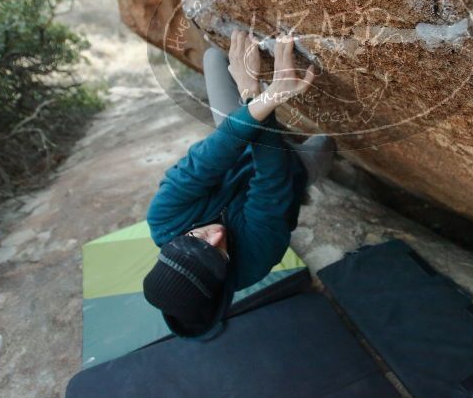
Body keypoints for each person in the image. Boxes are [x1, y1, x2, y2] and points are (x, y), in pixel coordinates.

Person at [142, 30, 335, 338]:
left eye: (196, 238)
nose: (216, 235)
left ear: (173, 243)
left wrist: (254, 94)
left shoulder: (163, 219)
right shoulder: (255, 262)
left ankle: (255, 111)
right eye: (219, 254)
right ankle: (277, 130)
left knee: (215, 58)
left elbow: (207, 161)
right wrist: (263, 96)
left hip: (237, 142)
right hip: (288, 168)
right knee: (327, 144)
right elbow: (273, 181)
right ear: (224, 274)